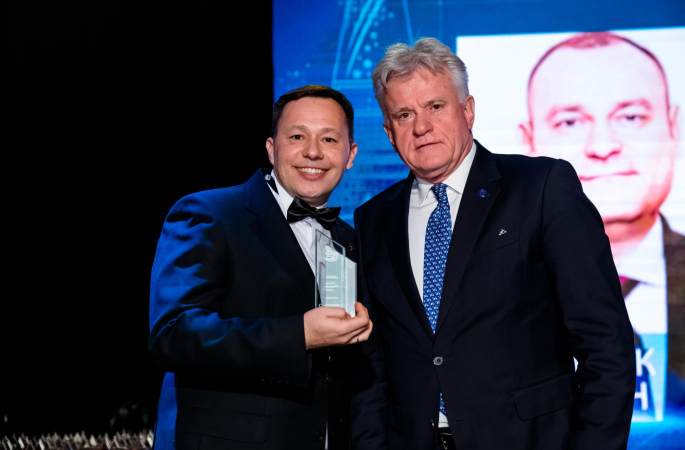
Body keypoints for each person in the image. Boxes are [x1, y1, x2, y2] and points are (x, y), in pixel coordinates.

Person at [350, 37, 635, 450]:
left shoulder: (541, 188)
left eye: (435, 106)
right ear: (389, 132)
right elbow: (371, 368)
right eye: (404, 114)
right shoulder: (372, 219)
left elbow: (605, 345)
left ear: (468, 110)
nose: (421, 127)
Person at [149, 85, 372, 450]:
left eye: (329, 139)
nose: (313, 151)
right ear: (271, 148)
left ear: (350, 154)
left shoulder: (348, 239)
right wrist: (299, 336)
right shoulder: (211, 213)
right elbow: (173, 335)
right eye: (297, 136)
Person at [520, 32, 685, 415]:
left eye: (631, 117)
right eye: (570, 122)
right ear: (529, 142)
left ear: (673, 127)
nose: (603, 146)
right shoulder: (496, 283)